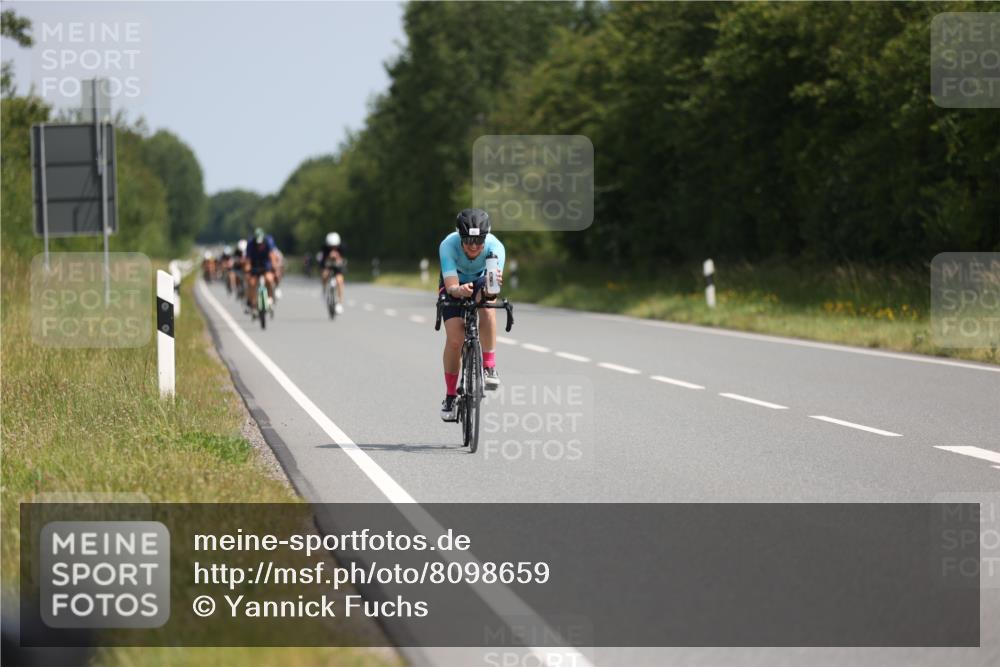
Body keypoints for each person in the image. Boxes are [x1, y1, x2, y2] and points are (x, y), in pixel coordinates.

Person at [438, 208, 505, 422]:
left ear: (486, 237)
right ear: (460, 236)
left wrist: (490, 289)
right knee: (455, 340)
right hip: (454, 283)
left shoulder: (496, 248)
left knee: (487, 308)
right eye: (468, 241)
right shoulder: (448, 245)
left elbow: (492, 291)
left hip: (480, 281)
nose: (474, 246)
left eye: (479, 241)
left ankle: (489, 367)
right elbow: (451, 286)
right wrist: (459, 290)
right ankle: (450, 396)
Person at [245, 227, 279, 315]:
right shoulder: (250, 244)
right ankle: (252, 303)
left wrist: (274, 267)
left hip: (265, 264)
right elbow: (248, 259)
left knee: (269, 279)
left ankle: (270, 299)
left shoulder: (268, 242)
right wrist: (247, 269)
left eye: (261, 243)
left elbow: (272, 256)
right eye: (258, 244)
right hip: (255, 265)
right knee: (252, 283)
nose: (260, 245)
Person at [320, 232, 346, 314]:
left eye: (335, 246)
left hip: (338, 266)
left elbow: (343, 260)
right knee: (324, 275)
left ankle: (340, 303)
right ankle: (324, 290)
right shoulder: (324, 248)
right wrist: (329, 257)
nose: (333, 247)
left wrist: (337, 258)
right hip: (327, 264)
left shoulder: (342, 247)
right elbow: (322, 261)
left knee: (339, 281)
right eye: (331, 246)